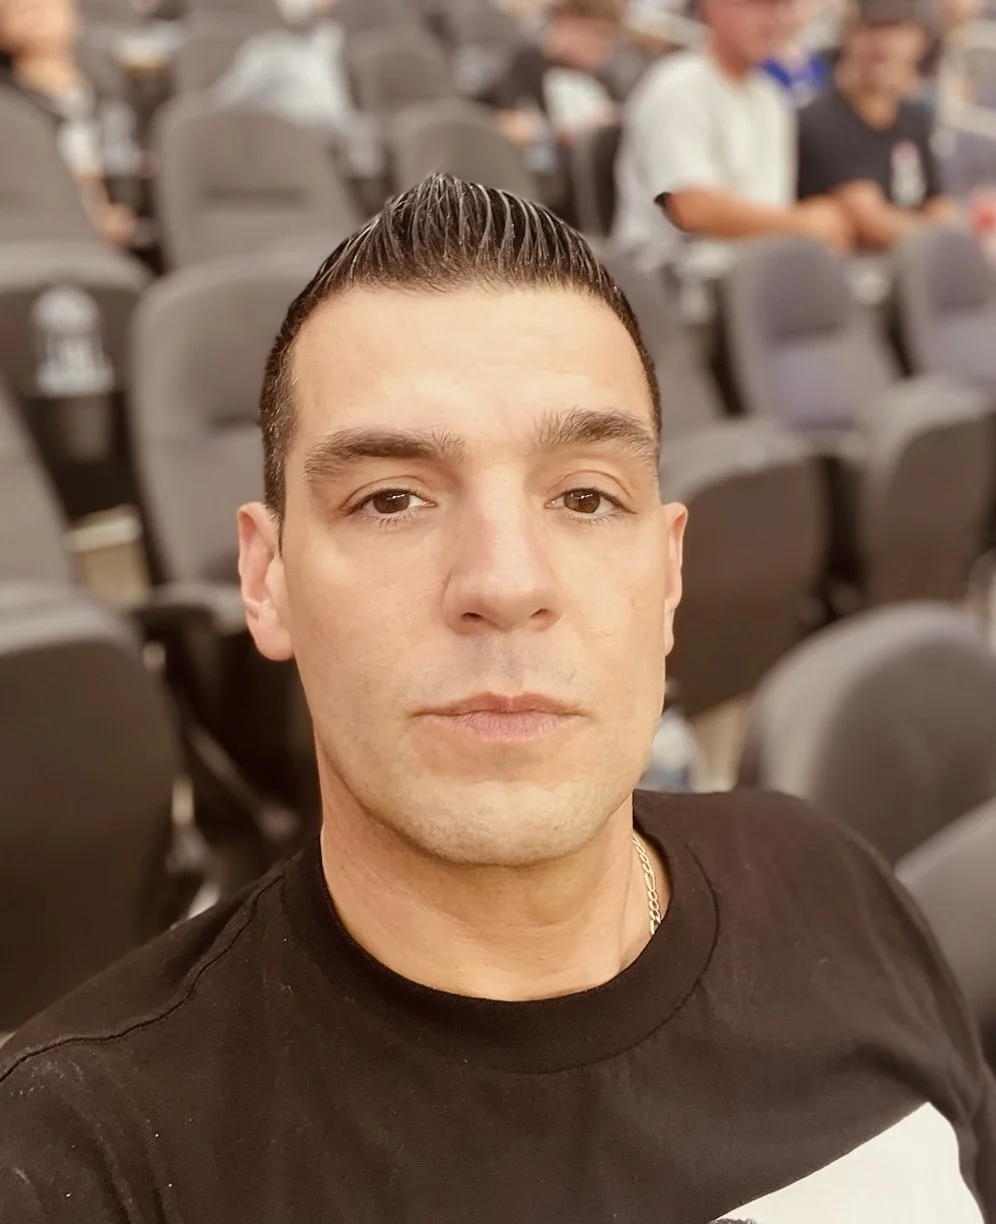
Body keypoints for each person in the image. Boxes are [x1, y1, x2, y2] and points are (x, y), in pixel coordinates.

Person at [1, 173, 995, 1223]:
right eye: (391, 500)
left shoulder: (836, 885)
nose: (505, 584)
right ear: (267, 578)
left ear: (667, 576)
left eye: (584, 496)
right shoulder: (84, 1161)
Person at [613, 0, 853, 270]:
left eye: (780, 8)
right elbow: (690, 209)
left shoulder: (771, 99)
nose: (772, 21)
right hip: (673, 282)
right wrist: (803, 224)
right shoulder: (677, 87)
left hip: (754, 276)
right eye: (759, 6)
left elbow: (769, 209)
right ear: (715, 7)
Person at [797, 0, 958, 246]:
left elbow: (938, 204)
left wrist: (952, 236)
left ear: (920, 40)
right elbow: (872, 222)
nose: (883, 43)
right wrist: (940, 239)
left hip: (913, 264)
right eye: (871, 28)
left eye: (896, 29)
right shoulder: (819, 119)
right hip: (849, 270)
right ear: (848, 37)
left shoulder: (916, 118)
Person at [0, 0, 137, 246]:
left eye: (46, 5)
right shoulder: (8, 111)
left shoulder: (110, 94)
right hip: (40, 234)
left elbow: (128, 166)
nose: (35, 12)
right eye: (19, 8)